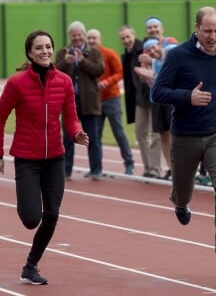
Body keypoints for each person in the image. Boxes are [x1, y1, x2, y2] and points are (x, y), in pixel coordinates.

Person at [152, 7, 216, 277]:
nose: (214, 36)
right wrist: (186, 97)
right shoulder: (178, 55)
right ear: (196, 28)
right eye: (208, 31)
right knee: (183, 190)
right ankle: (180, 201)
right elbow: (157, 92)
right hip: (185, 135)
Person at [0, 30, 89, 284]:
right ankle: (28, 215)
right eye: (39, 48)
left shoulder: (63, 81)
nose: (45, 51)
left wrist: (77, 133)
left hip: (55, 159)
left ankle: (31, 265)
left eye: (48, 47)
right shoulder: (17, 83)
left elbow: (70, 117)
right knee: (31, 219)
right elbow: (0, 116)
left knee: (52, 214)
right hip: (27, 158)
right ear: (30, 52)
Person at [55, 21, 104, 180]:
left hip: (89, 101)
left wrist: (82, 61)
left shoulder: (94, 52)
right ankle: (65, 170)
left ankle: (96, 170)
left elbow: (99, 71)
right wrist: (65, 62)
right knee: (68, 137)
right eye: (73, 35)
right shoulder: (63, 52)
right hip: (69, 102)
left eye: (78, 34)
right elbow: (53, 72)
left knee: (93, 137)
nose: (76, 38)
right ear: (70, 36)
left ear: (83, 35)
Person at [86, 29, 135, 175]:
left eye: (94, 38)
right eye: (89, 38)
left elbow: (120, 72)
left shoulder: (109, 53)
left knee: (118, 131)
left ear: (99, 39)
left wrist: (107, 82)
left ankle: (129, 163)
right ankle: (96, 168)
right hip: (95, 101)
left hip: (112, 98)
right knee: (95, 135)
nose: (92, 41)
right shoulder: (85, 56)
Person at [118, 25, 162, 178]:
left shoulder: (144, 48)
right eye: (122, 38)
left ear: (134, 35)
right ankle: (148, 167)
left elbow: (158, 65)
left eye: (127, 36)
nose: (125, 40)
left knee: (156, 133)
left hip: (154, 97)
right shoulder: (126, 56)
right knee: (140, 133)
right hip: (139, 99)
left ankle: (155, 169)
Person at [135, 38, 177, 180]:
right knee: (163, 135)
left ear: (160, 46)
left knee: (175, 135)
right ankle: (171, 169)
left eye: (154, 48)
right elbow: (151, 83)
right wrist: (145, 75)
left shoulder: (170, 56)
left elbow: (171, 78)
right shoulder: (152, 63)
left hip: (171, 101)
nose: (153, 51)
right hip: (157, 101)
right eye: (149, 50)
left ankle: (181, 168)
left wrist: (153, 75)